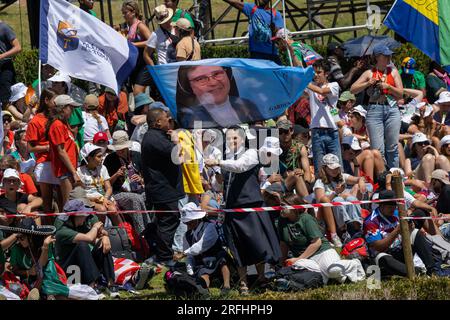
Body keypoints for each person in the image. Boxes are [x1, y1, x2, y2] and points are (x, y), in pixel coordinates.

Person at [205, 126, 281, 295]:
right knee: (237, 247)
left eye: (235, 138)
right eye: (229, 139)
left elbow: (240, 166)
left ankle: (261, 278)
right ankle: (243, 283)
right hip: (233, 208)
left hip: (250, 205)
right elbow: (218, 185)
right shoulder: (225, 159)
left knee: (257, 244)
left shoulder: (251, 153)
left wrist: (218, 162)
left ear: (241, 139)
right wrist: (217, 173)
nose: (231, 142)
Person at [278, 193, 365, 284]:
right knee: (299, 267)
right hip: (306, 259)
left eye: (283, 205)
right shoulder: (281, 221)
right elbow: (283, 243)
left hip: (322, 252)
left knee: (332, 270)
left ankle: (355, 263)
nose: (280, 208)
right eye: (279, 205)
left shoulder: (306, 218)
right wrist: (281, 264)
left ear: (293, 206)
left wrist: (298, 258)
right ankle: (335, 277)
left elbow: (317, 243)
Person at [363, 190, 450, 278]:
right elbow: (379, 247)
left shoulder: (396, 213)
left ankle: (434, 270)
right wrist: (396, 231)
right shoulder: (371, 221)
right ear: (381, 205)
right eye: (390, 206)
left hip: (400, 249)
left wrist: (409, 228)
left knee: (415, 233)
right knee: (383, 258)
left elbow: (406, 231)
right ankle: (415, 272)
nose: (393, 208)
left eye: (394, 205)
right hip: (384, 255)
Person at [141, 108, 185, 265]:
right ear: (158, 122)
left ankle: (160, 253)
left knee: (166, 220)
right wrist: (175, 140)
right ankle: (164, 257)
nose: (170, 120)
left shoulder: (157, 136)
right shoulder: (154, 138)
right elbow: (179, 155)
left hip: (164, 188)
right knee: (169, 220)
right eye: (167, 118)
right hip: (162, 189)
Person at [350, 43, 404, 169]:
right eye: (385, 56)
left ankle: (394, 175)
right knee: (378, 149)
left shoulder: (393, 72)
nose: (388, 58)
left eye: (389, 56)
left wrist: (389, 87)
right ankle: (383, 177)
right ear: (377, 57)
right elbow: (353, 89)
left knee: (392, 146)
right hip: (374, 109)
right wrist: (368, 83)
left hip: (392, 109)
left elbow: (401, 94)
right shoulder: (369, 73)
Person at [54, 199, 119, 296]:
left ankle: (111, 283)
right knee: (82, 245)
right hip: (67, 267)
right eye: (84, 215)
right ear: (76, 216)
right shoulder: (62, 230)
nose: (86, 217)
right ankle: (92, 285)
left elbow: (101, 234)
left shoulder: (79, 223)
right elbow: (89, 238)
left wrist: (104, 237)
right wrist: (95, 228)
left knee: (102, 245)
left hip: (82, 263)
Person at [176, 65, 261, 128]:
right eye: (201, 79)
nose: (213, 83)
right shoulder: (191, 116)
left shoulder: (247, 104)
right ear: (190, 87)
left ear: (227, 75)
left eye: (217, 74)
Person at [313, 154, 366, 246]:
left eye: (336, 168)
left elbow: (358, 178)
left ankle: (356, 227)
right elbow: (321, 203)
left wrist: (361, 182)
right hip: (325, 214)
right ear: (325, 168)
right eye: (331, 168)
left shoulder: (342, 177)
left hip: (340, 210)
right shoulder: (319, 182)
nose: (335, 170)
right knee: (338, 199)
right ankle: (342, 231)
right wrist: (335, 193)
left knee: (351, 198)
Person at [180, 202, 231, 295]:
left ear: (197, 218)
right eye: (186, 223)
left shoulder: (209, 227)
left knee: (222, 259)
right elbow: (190, 257)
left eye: (190, 222)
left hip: (216, 257)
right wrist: (190, 272)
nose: (188, 225)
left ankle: (226, 286)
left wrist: (183, 253)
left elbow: (201, 246)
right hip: (203, 263)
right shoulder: (187, 235)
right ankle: (204, 290)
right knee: (203, 272)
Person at [103, 131, 148, 234]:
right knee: (136, 199)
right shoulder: (110, 159)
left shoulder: (136, 156)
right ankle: (142, 232)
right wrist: (116, 175)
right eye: (117, 149)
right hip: (118, 192)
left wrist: (141, 179)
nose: (119, 151)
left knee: (151, 194)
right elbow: (106, 184)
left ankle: (151, 228)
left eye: (122, 149)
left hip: (138, 189)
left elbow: (147, 177)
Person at [0, 218, 57, 300]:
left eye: (21, 237)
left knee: (50, 284)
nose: (19, 240)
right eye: (17, 237)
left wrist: (45, 247)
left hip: (46, 278)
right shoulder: (16, 249)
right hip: (26, 282)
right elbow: (14, 270)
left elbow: (42, 265)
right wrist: (28, 272)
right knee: (15, 288)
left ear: (31, 237)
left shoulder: (45, 245)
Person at [25, 89, 60, 217]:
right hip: (45, 164)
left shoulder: (57, 118)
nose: (57, 103)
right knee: (48, 203)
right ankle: (48, 234)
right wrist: (48, 147)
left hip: (59, 163)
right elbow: (30, 147)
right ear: (46, 101)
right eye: (54, 100)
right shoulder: (35, 121)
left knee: (62, 202)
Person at [305, 61, 341, 176]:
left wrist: (305, 82)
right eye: (314, 72)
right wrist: (292, 50)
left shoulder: (334, 85)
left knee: (337, 166)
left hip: (332, 131)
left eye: (319, 72)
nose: (316, 75)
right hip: (316, 131)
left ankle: (339, 189)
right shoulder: (311, 86)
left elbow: (321, 91)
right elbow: (300, 69)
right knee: (319, 167)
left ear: (327, 74)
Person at [47, 95, 82, 209]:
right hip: (65, 170)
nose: (72, 110)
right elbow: (61, 151)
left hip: (69, 169)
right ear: (63, 108)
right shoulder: (57, 125)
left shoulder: (63, 124)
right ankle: (64, 226)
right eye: (70, 107)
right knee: (69, 205)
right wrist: (73, 172)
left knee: (72, 203)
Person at [222, 0, 283, 64]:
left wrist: (274, 28)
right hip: (256, 54)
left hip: (272, 53)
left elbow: (278, 34)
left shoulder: (276, 14)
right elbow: (234, 2)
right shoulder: (252, 9)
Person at [78, 144, 121, 226]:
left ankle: (122, 233)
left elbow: (108, 188)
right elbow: (81, 192)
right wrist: (95, 199)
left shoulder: (102, 168)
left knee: (113, 210)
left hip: (103, 197)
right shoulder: (80, 171)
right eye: (99, 156)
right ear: (89, 158)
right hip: (88, 199)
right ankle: (100, 232)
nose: (102, 159)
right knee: (102, 210)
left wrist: (105, 198)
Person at [120, 0, 151, 95]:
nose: (123, 15)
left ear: (133, 12)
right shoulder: (129, 27)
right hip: (135, 65)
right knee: (135, 93)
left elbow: (152, 41)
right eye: (123, 13)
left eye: (125, 13)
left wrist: (134, 44)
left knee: (138, 92)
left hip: (144, 65)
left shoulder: (140, 26)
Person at [0, 21, 21, 108]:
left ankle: (22, 119)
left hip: (5, 66)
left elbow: (18, 47)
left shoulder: (4, 27)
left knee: (5, 98)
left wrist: (1, 56)